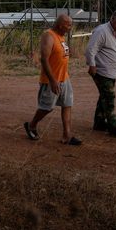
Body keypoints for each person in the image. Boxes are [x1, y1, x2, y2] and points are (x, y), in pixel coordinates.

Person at [24, 14, 82, 146]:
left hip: (64, 78)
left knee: (67, 104)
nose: (70, 28)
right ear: (61, 24)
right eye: (68, 25)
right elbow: (44, 59)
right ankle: (31, 125)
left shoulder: (61, 37)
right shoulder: (49, 35)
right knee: (47, 107)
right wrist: (52, 80)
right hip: (51, 79)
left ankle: (67, 135)